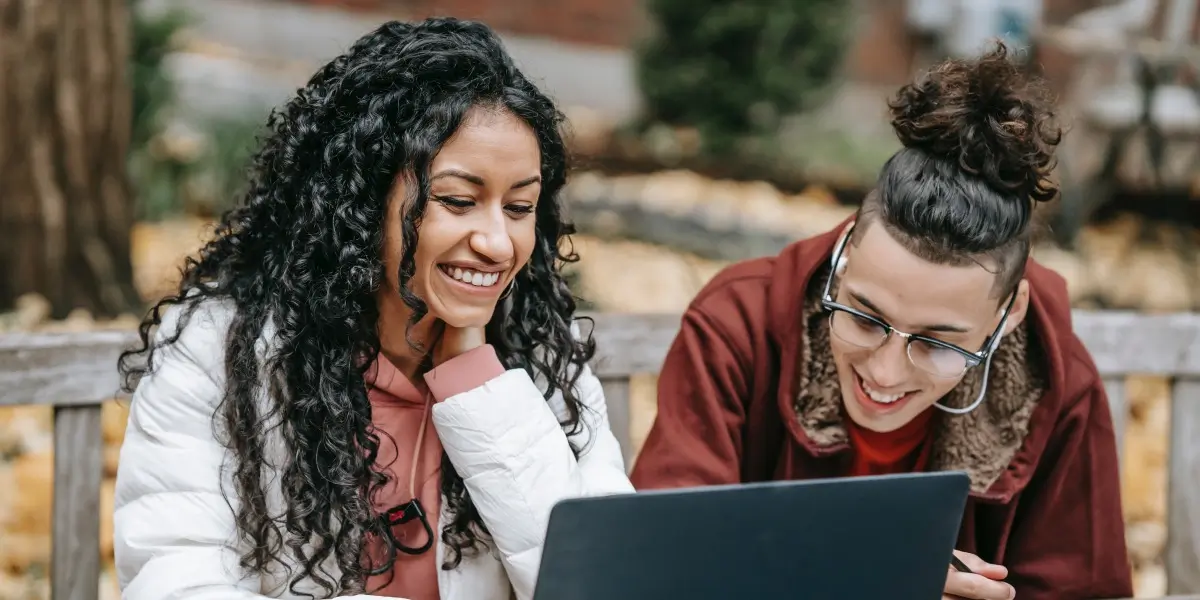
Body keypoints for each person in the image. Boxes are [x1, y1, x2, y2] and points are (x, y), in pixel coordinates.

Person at [113, 18, 633, 600]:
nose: (496, 242)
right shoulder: (224, 349)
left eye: (519, 207)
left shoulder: (540, 355)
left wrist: (477, 381)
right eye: (458, 201)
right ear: (362, 201)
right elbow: (174, 582)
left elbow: (606, 583)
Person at [630, 42, 1132, 600]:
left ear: (1008, 316)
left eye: (939, 344)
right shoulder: (737, 324)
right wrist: (858, 574)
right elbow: (661, 560)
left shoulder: (1058, 381)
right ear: (843, 257)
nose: (886, 373)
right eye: (864, 319)